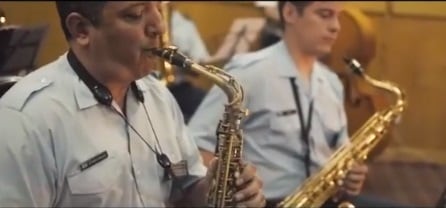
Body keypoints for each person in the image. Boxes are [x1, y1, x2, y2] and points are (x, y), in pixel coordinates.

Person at [0, 2, 266, 207]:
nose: (159, 27)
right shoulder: (26, 119)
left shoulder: (157, 95)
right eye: (136, 14)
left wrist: (220, 189)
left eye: (158, 6)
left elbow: (185, 191)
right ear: (81, 30)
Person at [189, 1, 404, 207]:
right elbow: (197, 146)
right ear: (290, 13)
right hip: (269, 202)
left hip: (324, 198)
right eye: (324, 14)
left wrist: (351, 174)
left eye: (337, 16)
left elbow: (342, 152)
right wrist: (236, 185)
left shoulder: (331, 83)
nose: (336, 27)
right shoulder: (248, 73)